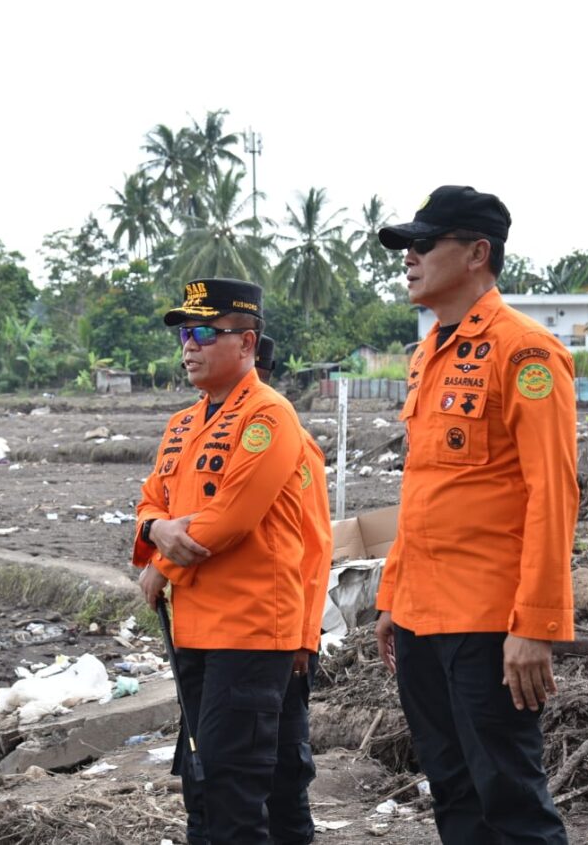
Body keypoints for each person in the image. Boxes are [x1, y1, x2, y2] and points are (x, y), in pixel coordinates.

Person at [371, 185, 578, 844]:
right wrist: (392, 597)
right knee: (455, 794)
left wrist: (537, 626)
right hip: (423, 615)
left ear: (476, 253)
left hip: (489, 621)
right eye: (407, 245)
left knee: (511, 802)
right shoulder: (430, 353)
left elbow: (554, 494)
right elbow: (427, 491)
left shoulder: (525, 351)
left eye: (423, 244)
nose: (408, 257)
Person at [133, 278, 307, 844]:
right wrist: (155, 529)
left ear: (248, 343)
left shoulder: (269, 418)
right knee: (202, 785)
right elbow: (151, 500)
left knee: (236, 790)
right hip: (194, 631)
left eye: (206, 331)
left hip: (251, 631)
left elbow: (230, 518)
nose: (190, 344)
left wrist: (162, 565)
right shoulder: (181, 424)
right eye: (186, 332)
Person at [257, 335, 333, 844]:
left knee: (283, 767)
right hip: (225, 639)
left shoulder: (290, 442)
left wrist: (305, 638)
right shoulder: (203, 434)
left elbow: (314, 544)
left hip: (279, 637)